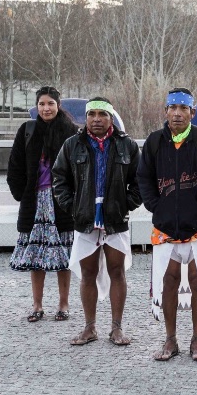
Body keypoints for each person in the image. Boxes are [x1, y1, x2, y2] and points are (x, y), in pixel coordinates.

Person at [137, 87, 197, 361]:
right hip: (165, 229)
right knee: (168, 282)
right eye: (172, 108)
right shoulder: (154, 142)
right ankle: (170, 339)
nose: (177, 113)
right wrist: (156, 206)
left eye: (183, 108)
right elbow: (144, 179)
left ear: (192, 112)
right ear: (165, 111)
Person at [52, 96, 141, 345]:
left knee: (117, 271)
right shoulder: (72, 145)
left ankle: (116, 328)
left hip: (115, 220)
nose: (97, 119)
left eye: (102, 114)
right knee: (87, 273)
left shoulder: (127, 145)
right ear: (86, 118)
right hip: (85, 220)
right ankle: (89, 327)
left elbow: (140, 180)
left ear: (111, 118)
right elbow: (59, 178)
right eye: (92, 114)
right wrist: (74, 207)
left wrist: (125, 204)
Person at [7, 86, 78, 322]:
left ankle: (63, 304)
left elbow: (80, 169)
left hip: (61, 202)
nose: (46, 108)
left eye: (50, 104)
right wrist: (22, 194)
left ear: (59, 105)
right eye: (41, 104)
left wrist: (74, 199)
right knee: (36, 255)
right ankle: (37, 305)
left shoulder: (71, 132)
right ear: (36, 106)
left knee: (63, 255)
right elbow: (15, 166)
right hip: (34, 201)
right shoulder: (27, 130)